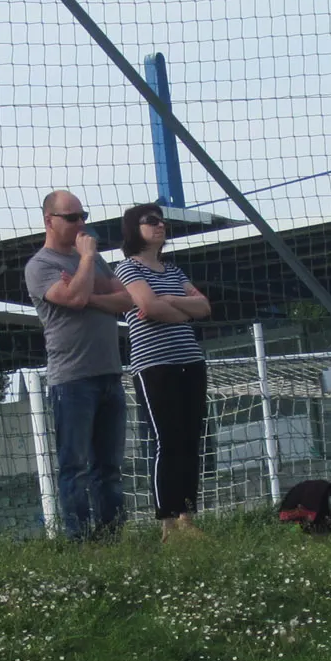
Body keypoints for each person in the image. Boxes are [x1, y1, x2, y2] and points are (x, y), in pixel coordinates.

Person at [23, 190, 130, 539]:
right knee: (75, 466)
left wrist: (90, 295)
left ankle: (112, 535)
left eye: (83, 216)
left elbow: (125, 299)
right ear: (49, 221)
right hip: (72, 380)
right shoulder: (41, 266)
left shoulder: (95, 262)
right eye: (72, 217)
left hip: (109, 374)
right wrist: (85, 260)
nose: (81, 223)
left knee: (109, 466)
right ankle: (81, 538)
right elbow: (73, 297)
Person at [115, 204, 213, 542]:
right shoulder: (127, 268)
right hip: (154, 365)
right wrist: (182, 309)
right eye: (151, 221)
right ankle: (167, 523)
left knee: (190, 439)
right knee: (167, 440)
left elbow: (204, 307)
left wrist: (169, 299)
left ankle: (187, 517)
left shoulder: (173, 270)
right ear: (134, 228)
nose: (160, 226)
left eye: (161, 221)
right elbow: (147, 306)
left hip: (190, 361)